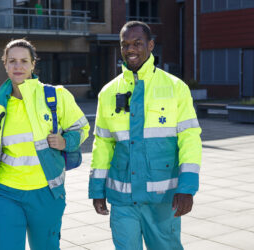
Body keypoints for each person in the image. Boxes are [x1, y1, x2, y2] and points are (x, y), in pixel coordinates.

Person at [89, 21, 202, 250]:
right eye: (125, 44)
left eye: (137, 43)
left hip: (163, 198)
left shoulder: (175, 87)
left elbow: (190, 139)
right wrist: (97, 189)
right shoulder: (108, 92)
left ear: (150, 46)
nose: (130, 49)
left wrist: (187, 188)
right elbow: (102, 144)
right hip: (123, 200)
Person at [0, 39, 90, 250]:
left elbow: (82, 128)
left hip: (46, 192)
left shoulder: (56, 97)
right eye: (12, 61)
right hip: (7, 192)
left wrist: (65, 141)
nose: (18, 66)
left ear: (33, 64)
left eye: (24, 61)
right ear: (5, 64)